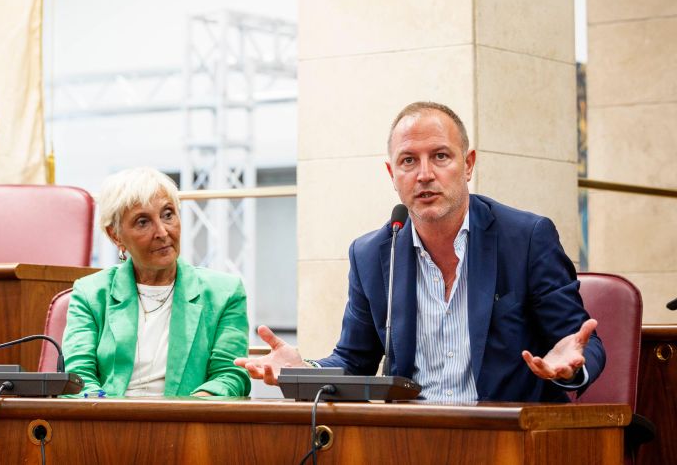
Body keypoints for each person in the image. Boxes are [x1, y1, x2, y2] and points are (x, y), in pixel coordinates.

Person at [236, 102, 604, 402]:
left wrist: (571, 364)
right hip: (411, 439)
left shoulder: (525, 238)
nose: (424, 174)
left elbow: (579, 343)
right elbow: (354, 360)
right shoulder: (372, 254)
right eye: (408, 160)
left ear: (469, 164)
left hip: (507, 437)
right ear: (391, 173)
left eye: (441, 156)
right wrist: (306, 371)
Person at [63, 167, 251, 397]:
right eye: (143, 222)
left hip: (190, 424)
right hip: (108, 422)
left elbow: (229, 377)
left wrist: (179, 417)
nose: (162, 232)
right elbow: (78, 377)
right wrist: (107, 417)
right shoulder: (90, 293)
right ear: (116, 235)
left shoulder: (225, 293)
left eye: (168, 214)